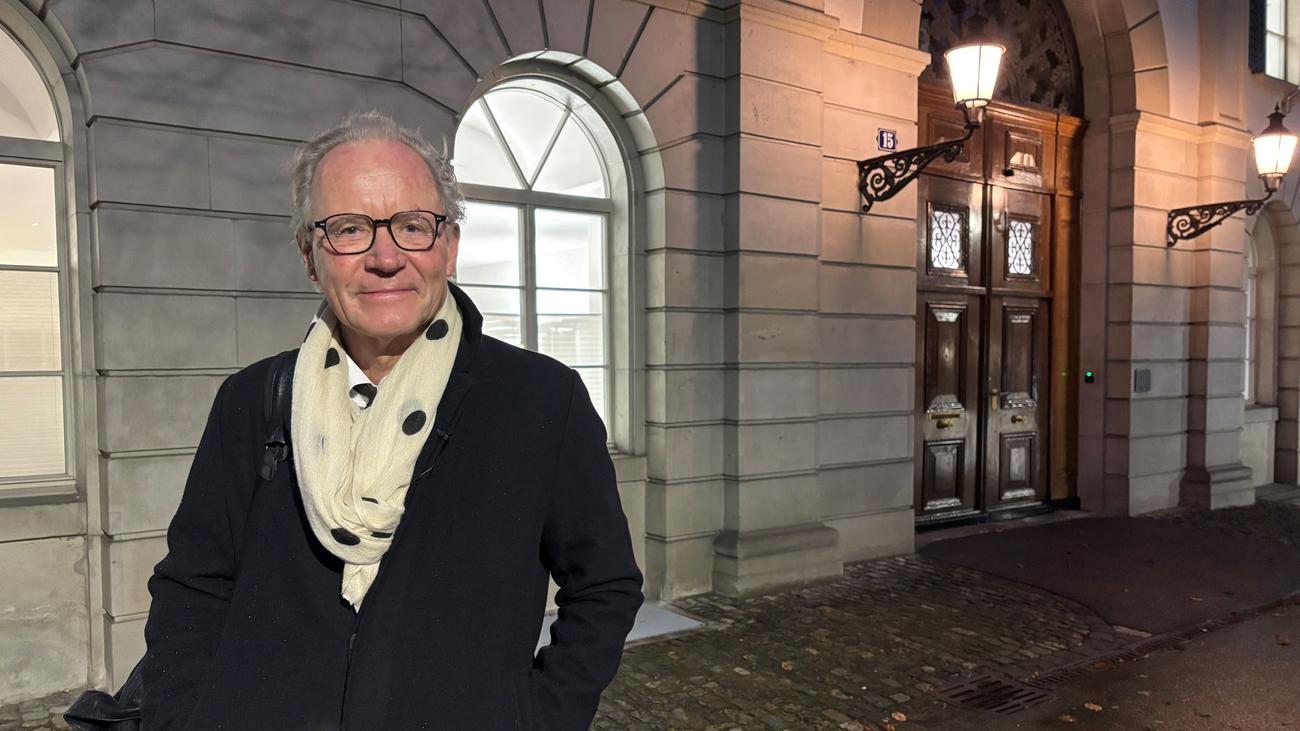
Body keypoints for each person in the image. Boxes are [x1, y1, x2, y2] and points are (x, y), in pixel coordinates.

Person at [142, 111, 643, 730]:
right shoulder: (251, 401)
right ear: (310, 257)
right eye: (349, 229)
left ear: (449, 247)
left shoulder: (542, 401)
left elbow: (604, 586)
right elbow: (192, 586)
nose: (385, 257)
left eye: (412, 226)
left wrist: (535, 719)